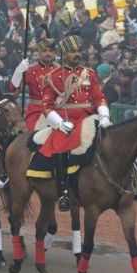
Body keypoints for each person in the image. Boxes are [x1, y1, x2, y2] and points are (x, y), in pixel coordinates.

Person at [39, 35, 110, 212]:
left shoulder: (90, 74)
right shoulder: (52, 77)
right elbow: (47, 107)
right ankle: (63, 192)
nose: (77, 54)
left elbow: (99, 97)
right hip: (66, 120)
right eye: (73, 51)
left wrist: (104, 114)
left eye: (79, 51)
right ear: (64, 54)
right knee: (60, 147)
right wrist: (60, 123)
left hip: (88, 118)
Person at [10, 38, 59, 131]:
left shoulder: (61, 71)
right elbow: (13, 88)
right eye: (44, 51)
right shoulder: (30, 71)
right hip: (36, 112)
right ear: (39, 53)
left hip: (57, 110)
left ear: (54, 53)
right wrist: (18, 71)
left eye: (51, 51)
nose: (48, 53)